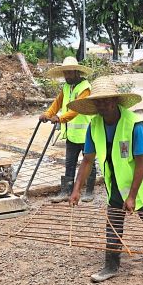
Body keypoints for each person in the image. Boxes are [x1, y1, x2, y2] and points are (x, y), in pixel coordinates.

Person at [68, 77, 143, 285]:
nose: (103, 105)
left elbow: (140, 162)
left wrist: (133, 196)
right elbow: (88, 160)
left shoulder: (134, 125)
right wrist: (76, 190)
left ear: (115, 100)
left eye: (107, 100)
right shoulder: (94, 125)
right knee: (114, 227)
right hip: (116, 185)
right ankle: (111, 266)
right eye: (98, 101)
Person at [40, 56, 94, 203]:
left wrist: (60, 118)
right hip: (71, 133)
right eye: (65, 73)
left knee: (88, 161)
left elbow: (78, 107)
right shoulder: (66, 87)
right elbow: (57, 103)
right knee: (69, 163)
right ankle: (66, 191)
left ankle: (89, 191)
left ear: (76, 72)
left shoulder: (85, 88)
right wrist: (48, 114)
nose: (67, 76)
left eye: (69, 73)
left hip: (86, 133)